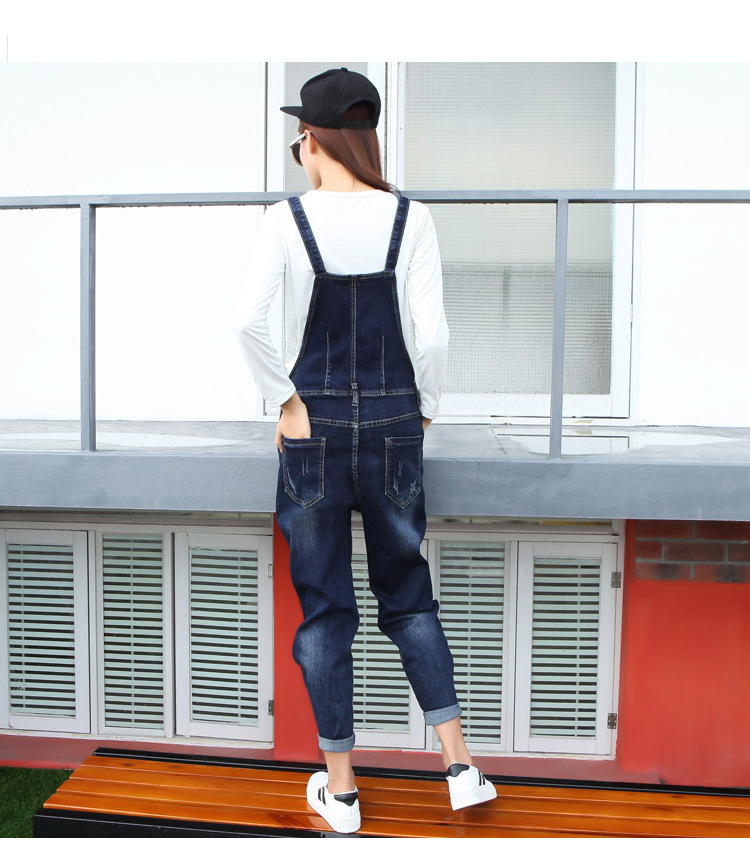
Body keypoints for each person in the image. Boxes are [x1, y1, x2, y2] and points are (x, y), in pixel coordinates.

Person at [233, 67, 497, 834]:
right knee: (408, 595)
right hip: (395, 425)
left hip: (311, 428)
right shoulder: (410, 218)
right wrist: (424, 411)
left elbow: (245, 322)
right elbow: (432, 337)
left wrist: (286, 401)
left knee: (326, 611)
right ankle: (460, 766)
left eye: (299, 141)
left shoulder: (286, 220)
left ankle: (342, 792)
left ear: (313, 140)